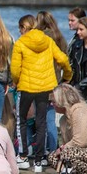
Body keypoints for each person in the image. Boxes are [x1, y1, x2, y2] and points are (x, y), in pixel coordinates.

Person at [12, 15, 72, 173]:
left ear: (23, 28)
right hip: (45, 87)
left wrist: (16, 81)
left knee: (22, 121)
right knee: (41, 123)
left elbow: (15, 69)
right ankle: (39, 161)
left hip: (26, 87)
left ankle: (23, 157)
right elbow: (63, 60)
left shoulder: (20, 43)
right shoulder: (48, 41)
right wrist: (67, 76)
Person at [36, 10, 69, 155]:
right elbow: (65, 59)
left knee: (42, 120)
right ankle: (54, 150)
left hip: (41, 82)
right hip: (55, 83)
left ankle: (44, 152)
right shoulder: (60, 38)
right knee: (51, 120)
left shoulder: (40, 38)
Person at [69, 17, 87, 108]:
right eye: (78, 29)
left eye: (81, 29)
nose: (78, 32)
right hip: (77, 89)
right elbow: (73, 68)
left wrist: (81, 84)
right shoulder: (76, 46)